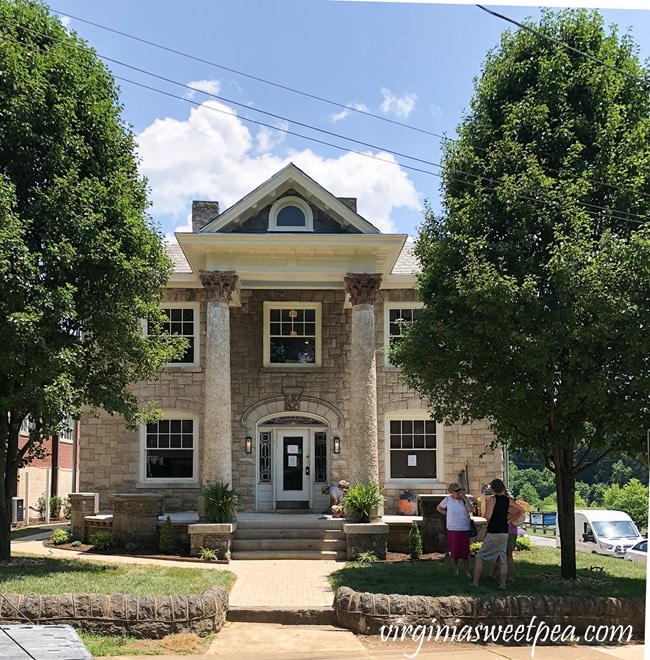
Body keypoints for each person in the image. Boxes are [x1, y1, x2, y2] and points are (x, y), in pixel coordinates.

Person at [472, 478, 524, 589]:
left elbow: (488, 516)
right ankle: (503, 584)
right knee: (502, 557)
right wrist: (509, 519)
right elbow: (521, 510)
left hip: (493, 530)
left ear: (493, 489)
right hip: (504, 531)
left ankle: (475, 582)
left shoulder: (492, 499)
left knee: (480, 556)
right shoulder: (508, 500)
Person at [437, 481, 474, 577]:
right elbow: (439, 508)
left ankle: (467, 571)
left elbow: (471, 510)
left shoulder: (465, 500)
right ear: (452, 492)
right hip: (453, 527)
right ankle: (455, 570)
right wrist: (447, 514)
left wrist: (465, 499)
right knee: (454, 550)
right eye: (457, 490)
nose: (459, 492)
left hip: (464, 527)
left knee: (465, 551)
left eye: (460, 490)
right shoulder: (448, 499)